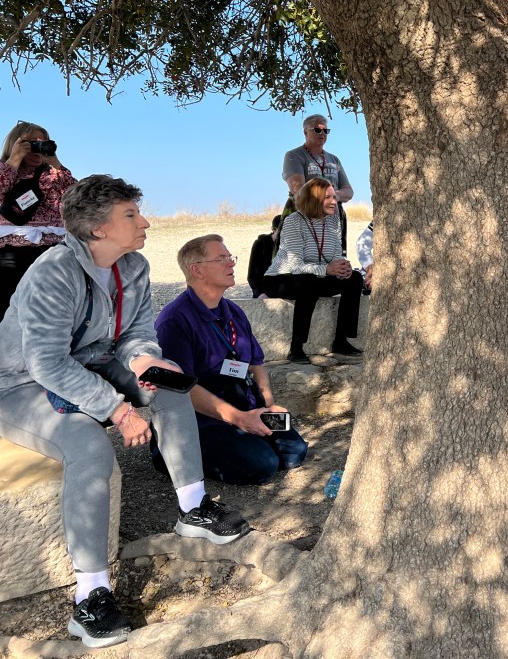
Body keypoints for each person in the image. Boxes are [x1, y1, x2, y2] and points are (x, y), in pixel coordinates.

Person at [0, 175, 249, 649]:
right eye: (131, 216)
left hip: (92, 363)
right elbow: (46, 361)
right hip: (19, 383)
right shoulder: (53, 272)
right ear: (97, 229)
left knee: (171, 387)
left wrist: (144, 360)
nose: (146, 222)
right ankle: (91, 597)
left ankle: (193, 508)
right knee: (89, 448)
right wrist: (117, 409)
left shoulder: (133, 266)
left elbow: (135, 333)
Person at [155, 234, 308, 484]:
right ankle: (167, 451)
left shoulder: (233, 310)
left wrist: (268, 405)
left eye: (230, 257)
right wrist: (239, 419)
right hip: (203, 413)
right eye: (222, 258)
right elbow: (181, 387)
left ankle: (246, 435)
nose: (232, 263)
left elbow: (256, 362)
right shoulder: (175, 320)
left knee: (294, 452)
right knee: (263, 465)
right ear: (197, 270)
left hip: (244, 400)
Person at [263, 177, 364, 363]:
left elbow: (335, 254)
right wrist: (327, 269)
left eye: (335, 197)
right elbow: (295, 266)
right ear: (314, 199)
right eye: (328, 198)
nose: (335, 202)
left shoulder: (333, 220)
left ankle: (342, 341)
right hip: (281, 278)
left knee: (355, 279)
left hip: (316, 275)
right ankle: (296, 347)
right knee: (308, 284)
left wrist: (342, 267)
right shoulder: (294, 221)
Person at [0, 121, 77, 315]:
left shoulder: (53, 174)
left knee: (47, 308)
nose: (37, 147)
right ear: (16, 143)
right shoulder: (6, 170)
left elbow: (75, 196)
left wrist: (54, 162)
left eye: (43, 142)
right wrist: (14, 160)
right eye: (32, 143)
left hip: (50, 250)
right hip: (9, 252)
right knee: (7, 305)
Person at [281, 114, 354, 250]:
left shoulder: (334, 159)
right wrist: (324, 198)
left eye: (326, 131)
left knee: (335, 260)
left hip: (333, 217)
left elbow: (349, 191)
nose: (322, 134)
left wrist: (334, 196)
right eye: (317, 130)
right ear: (305, 132)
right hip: (304, 214)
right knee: (299, 262)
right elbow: (298, 190)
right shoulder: (294, 156)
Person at [247, 214, 281, 298]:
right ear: (273, 229)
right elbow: (252, 275)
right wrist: (260, 293)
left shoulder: (290, 246)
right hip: (263, 295)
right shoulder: (260, 244)